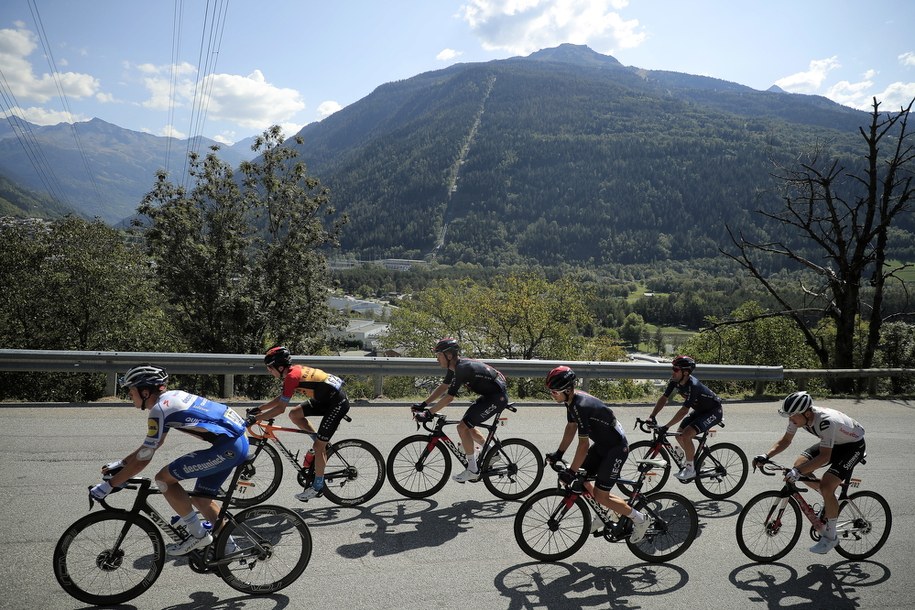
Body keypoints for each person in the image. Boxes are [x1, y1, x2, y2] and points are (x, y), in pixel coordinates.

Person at [89, 364, 249, 555]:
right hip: (236, 442)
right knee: (201, 499)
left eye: (131, 391)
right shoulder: (170, 399)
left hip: (228, 448)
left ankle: (198, 535)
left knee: (163, 479)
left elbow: (144, 458)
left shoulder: (159, 411)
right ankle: (230, 549)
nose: (129, 396)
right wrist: (123, 464)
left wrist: (110, 485)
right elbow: (152, 445)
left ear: (145, 392)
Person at [544, 366, 649, 542]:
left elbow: (583, 445)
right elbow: (571, 427)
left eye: (554, 392)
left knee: (601, 495)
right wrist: (559, 453)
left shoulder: (580, 406)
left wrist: (570, 472)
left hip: (616, 449)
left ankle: (640, 519)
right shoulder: (571, 402)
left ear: (567, 390)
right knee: (581, 478)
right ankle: (605, 512)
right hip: (603, 445)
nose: (552, 395)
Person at [754, 391, 866, 554]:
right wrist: (766, 455)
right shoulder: (799, 416)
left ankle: (830, 537)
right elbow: (786, 441)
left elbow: (824, 456)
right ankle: (830, 501)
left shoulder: (825, 422)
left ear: (807, 413)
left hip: (853, 446)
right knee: (799, 464)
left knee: (826, 483)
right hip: (835, 442)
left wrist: (797, 472)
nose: (790, 421)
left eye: (792, 417)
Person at [246, 346, 350, 501]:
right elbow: (283, 398)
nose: (269, 371)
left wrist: (256, 419)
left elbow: (280, 408)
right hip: (326, 398)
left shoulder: (292, 377)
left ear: (280, 367)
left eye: (270, 368)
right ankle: (319, 442)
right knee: (294, 414)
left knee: (318, 447)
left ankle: (318, 486)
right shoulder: (293, 372)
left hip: (337, 404)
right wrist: (259, 409)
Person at [413, 338, 508, 483]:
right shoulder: (455, 367)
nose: (437, 358)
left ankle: (473, 470)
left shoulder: (462, 369)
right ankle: (490, 452)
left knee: (462, 427)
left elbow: (449, 398)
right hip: (490, 395)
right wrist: (423, 404)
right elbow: (443, 387)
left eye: (438, 355)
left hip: (496, 398)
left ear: (449, 355)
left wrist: (429, 413)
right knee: (467, 425)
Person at [647, 355, 722, 481]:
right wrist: (652, 416)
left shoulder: (694, 386)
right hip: (700, 411)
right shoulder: (675, 382)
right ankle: (693, 459)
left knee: (686, 435)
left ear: (685, 372)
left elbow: (683, 411)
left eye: (676, 369)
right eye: (673, 368)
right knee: (678, 435)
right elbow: (664, 398)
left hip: (713, 411)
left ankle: (690, 469)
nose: (673, 372)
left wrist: (666, 426)